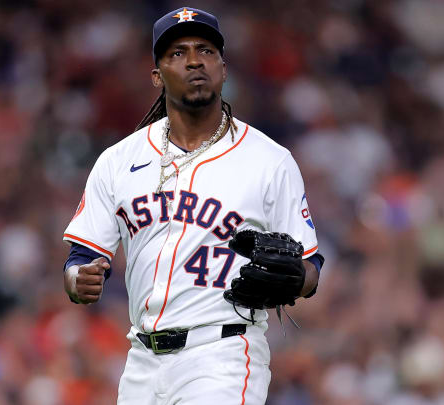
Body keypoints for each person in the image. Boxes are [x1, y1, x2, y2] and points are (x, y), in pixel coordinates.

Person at [62, 6, 324, 404]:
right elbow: (79, 260)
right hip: (141, 362)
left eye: (205, 50)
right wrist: (77, 280)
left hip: (221, 352)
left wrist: (296, 278)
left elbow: (311, 267)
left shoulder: (269, 160)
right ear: (157, 75)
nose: (195, 61)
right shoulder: (118, 161)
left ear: (223, 68)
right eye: (178, 53)